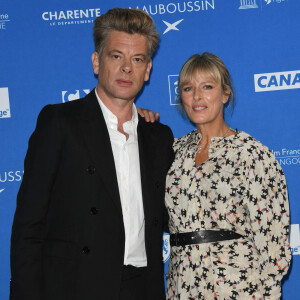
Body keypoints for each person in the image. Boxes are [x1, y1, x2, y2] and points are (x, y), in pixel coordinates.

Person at [10, 8, 174, 300]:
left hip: (143, 289)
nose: (127, 68)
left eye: (137, 59)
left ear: (148, 70)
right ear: (97, 62)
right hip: (75, 287)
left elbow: (168, 216)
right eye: (116, 56)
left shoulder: (158, 137)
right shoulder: (60, 123)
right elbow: (28, 225)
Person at [139, 52, 291, 299]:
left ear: (225, 94)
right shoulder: (172, 152)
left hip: (239, 287)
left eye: (207, 87)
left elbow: (272, 242)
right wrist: (136, 122)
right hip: (183, 286)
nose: (197, 96)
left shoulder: (251, 153)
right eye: (188, 88)